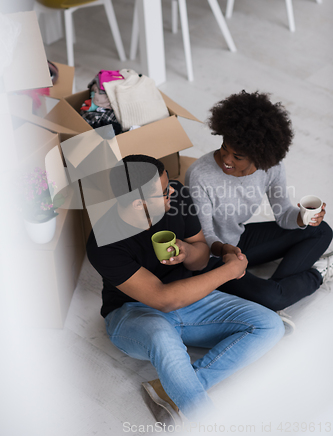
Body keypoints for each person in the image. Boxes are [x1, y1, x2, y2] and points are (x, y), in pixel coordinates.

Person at [86, 154, 285, 425]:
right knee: (162, 336)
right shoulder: (103, 241)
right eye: (164, 192)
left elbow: (201, 257)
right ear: (138, 203)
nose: (172, 192)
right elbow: (162, 300)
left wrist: (188, 251)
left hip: (191, 298)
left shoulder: (177, 196)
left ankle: (170, 389)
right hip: (132, 312)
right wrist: (228, 270)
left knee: (271, 325)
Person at [185, 91, 333, 314]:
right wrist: (226, 251)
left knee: (320, 230)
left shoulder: (271, 167)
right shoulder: (200, 175)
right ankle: (315, 276)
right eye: (225, 147)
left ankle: (276, 291)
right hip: (213, 256)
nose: (226, 159)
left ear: (259, 154)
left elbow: (283, 214)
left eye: (238, 157)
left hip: (239, 239)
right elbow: (203, 238)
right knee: (271, 298)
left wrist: (303, 217)